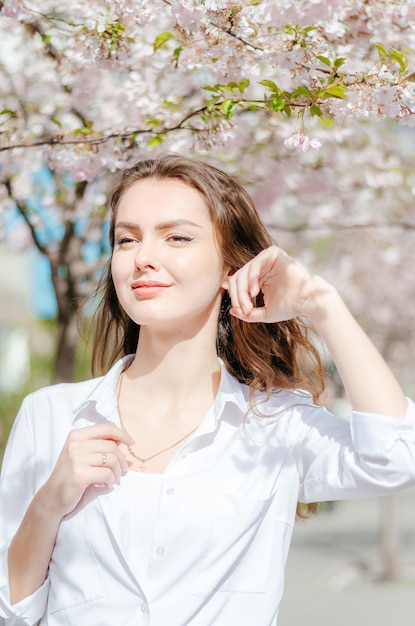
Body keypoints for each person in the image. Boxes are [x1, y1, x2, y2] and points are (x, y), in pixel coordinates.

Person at [0, 154, 414, 626]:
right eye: (126, 239)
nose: (143, 258)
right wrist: (50, 500)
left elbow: (398, 456)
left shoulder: (275, 424)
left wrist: (322, 303)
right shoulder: (51, 416)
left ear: (229, 268)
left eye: (177, 237)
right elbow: (10, 608)